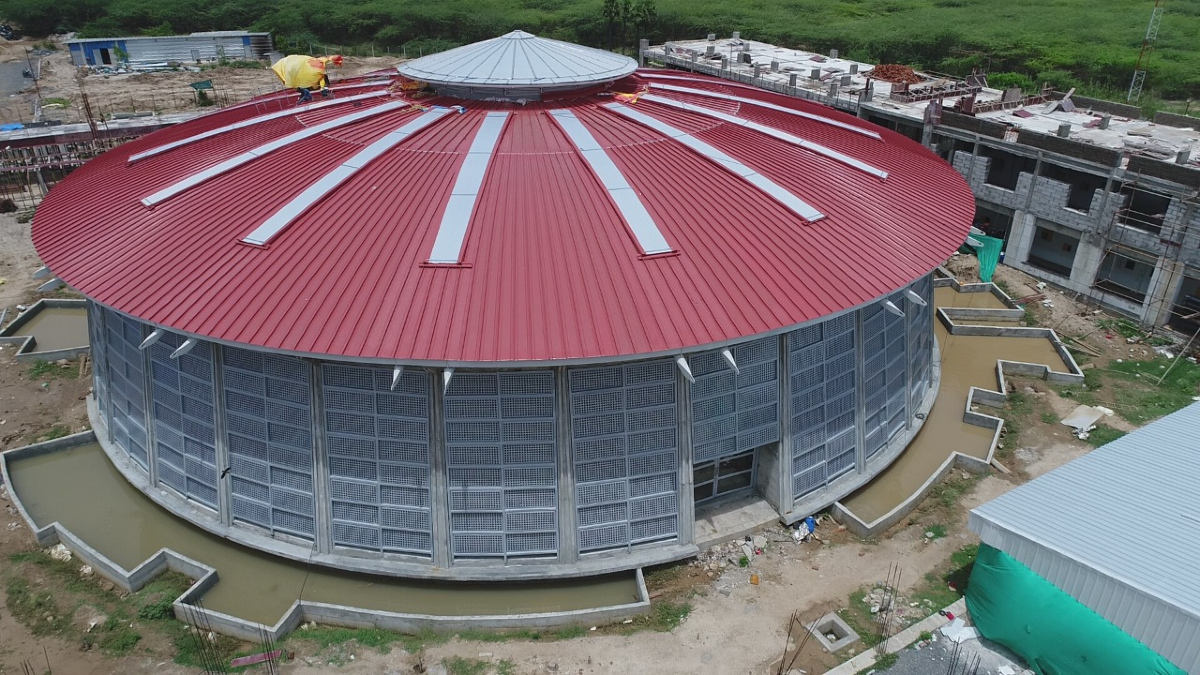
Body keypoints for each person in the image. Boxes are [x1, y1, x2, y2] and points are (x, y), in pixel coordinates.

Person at [271, 54, 343, 104]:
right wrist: (323, 89)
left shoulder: (318, 66)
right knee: (306, 94)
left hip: (300, 83)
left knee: (304, 92)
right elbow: (322, 82)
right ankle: (303, 100)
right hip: (303, 85)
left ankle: (303, 99)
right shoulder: (318, 75)